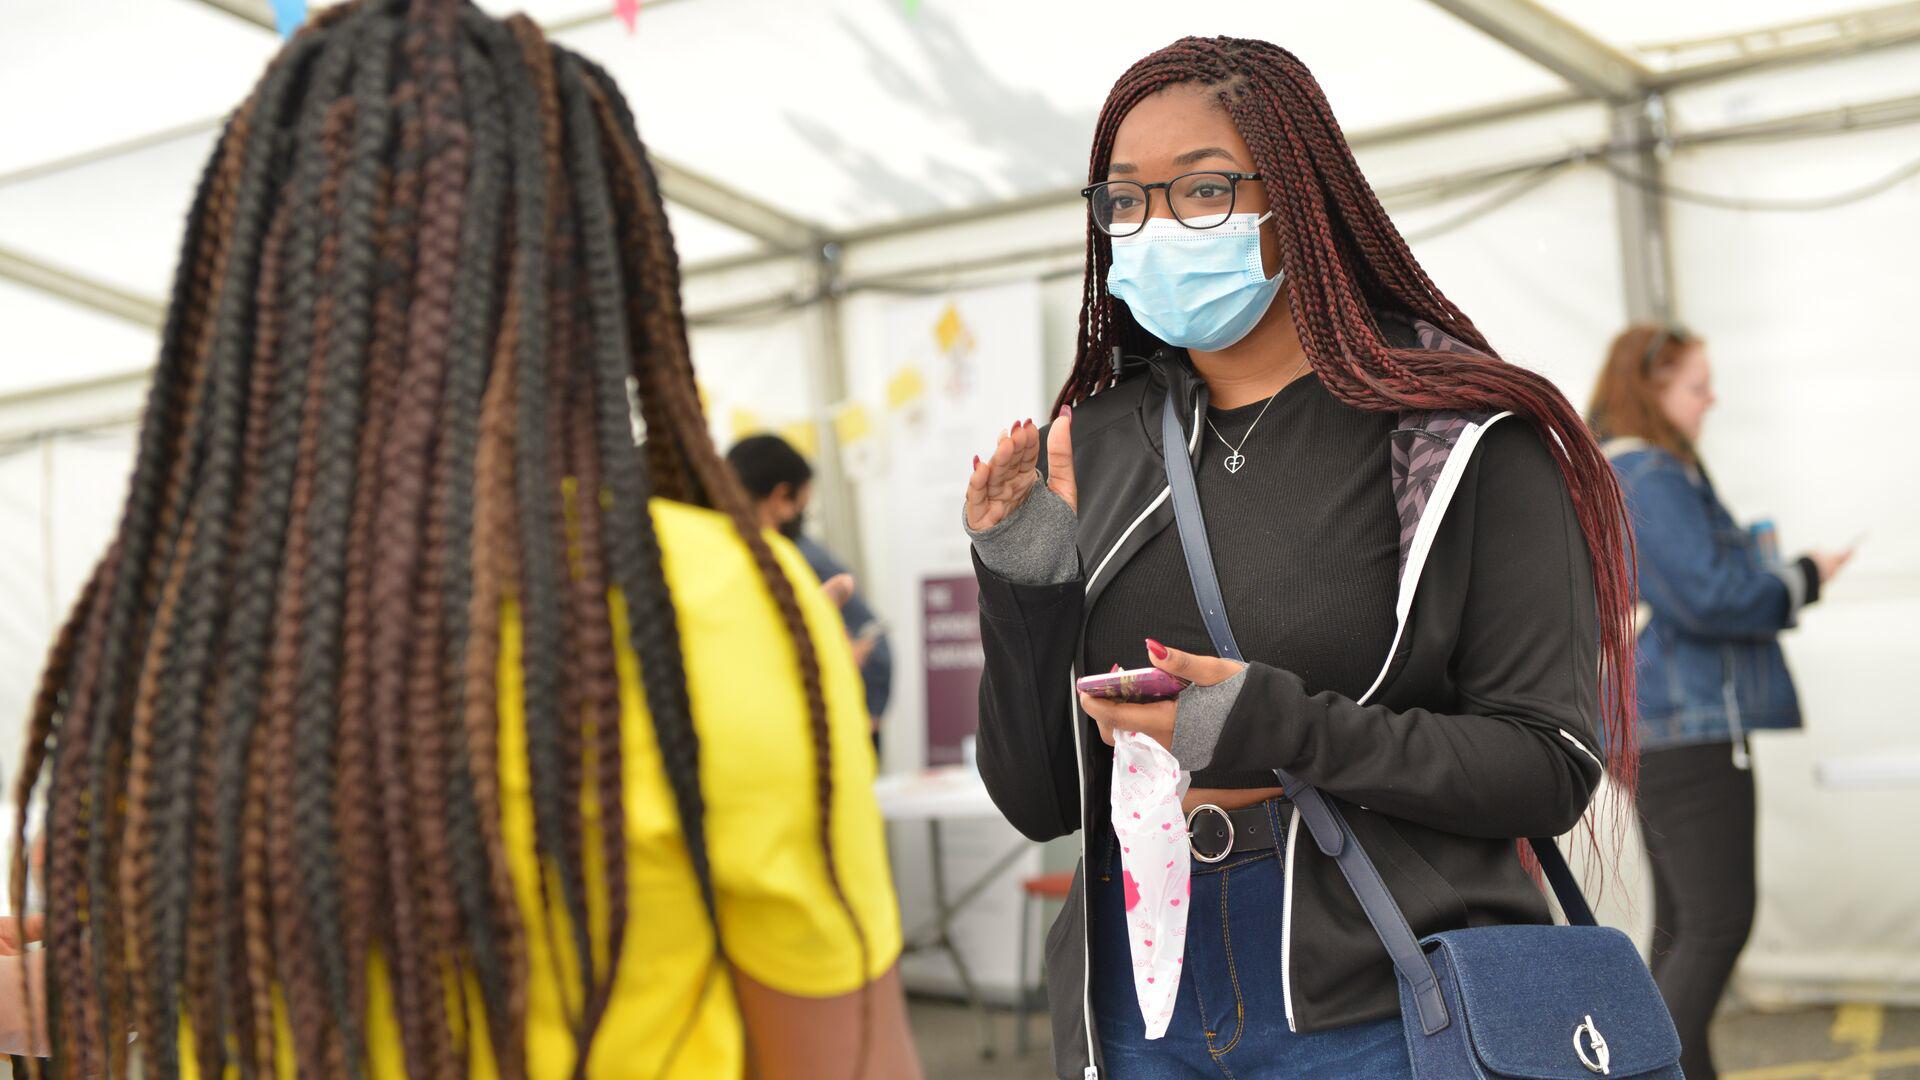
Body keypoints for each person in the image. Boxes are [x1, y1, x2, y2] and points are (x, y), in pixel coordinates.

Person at [8, 2, 919, 1076]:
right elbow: (844, 1063)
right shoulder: (715, 606)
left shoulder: (174, 629)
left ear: (260, 276)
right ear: (585, 272)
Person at [963, 37, 1640, 1078]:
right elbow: (1043, 800)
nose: (1155, 227)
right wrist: (1022, 575)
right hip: (1136, 1004)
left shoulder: (1455, 437)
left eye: (1202, 190)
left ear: (1304, 202)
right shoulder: (1095, 443)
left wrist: (1269, 725)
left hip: (1389, 997)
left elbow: (1546, 764)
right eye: (1125, 203)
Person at [1589, 324, 1852, 1080]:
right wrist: (1801, 576)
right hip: (1687, 727)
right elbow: (1709, 595)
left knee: (1682, 929)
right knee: (1714, 926)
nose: (1712, 400)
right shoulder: (1651, 474)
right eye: (1698, 386)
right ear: (1654, 389)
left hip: (1660, 724)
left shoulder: (1619, 470)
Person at [727, 434, 894, 739]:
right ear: (780, 497)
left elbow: (873, 642)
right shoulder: (790, 556)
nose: (798, 521)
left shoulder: (783, 556)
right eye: (803, 508)